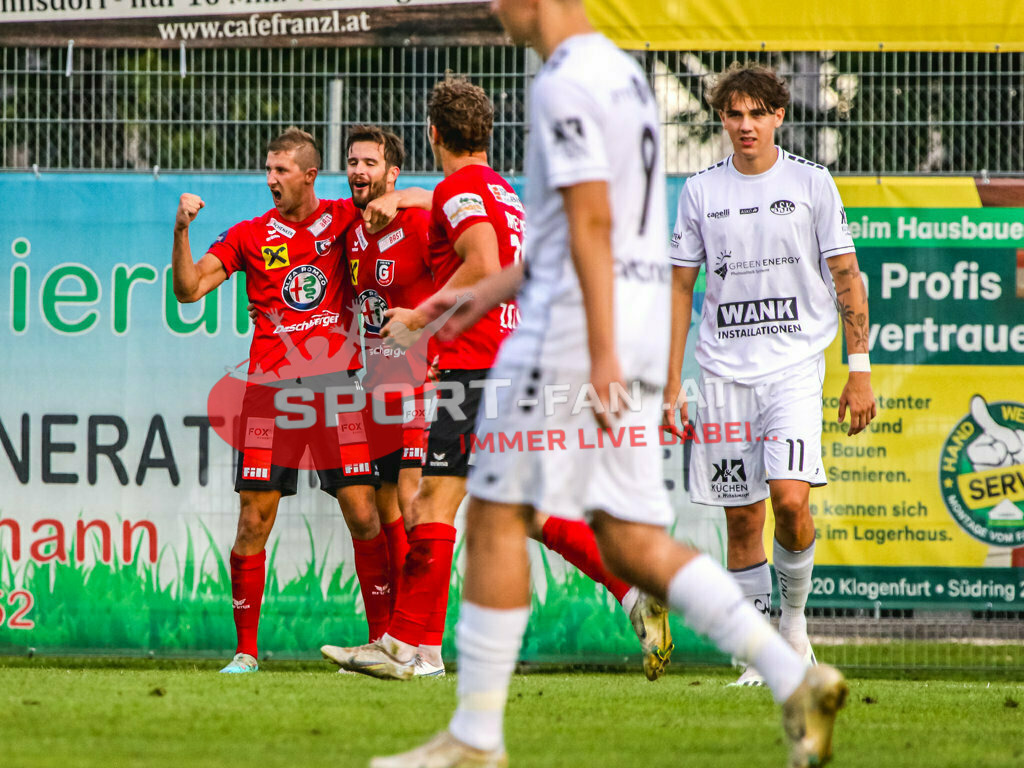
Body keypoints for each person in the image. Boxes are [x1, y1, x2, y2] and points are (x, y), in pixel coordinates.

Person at [369, 3, 847, 768]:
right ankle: (794, 675)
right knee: (630, 540)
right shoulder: (622, 77)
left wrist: (596, 356)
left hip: (572, 335)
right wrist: (448, 307)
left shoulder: (567, 81)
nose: (494, 8)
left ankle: (475, 736)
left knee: (490, 512)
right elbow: (568, 236)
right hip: (627, 329)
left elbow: (591, 226)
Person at [321, 82, 672, 683]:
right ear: (485, 133)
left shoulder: (459, 190)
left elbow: (482, 262)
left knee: (432, 503)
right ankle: (632, 589)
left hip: (481, 369)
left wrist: (420, 317)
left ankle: (408, 648)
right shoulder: (502, 192)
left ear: (433, 134)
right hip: (511, 362)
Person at [172, 127, 424, 673]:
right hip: (270, 394)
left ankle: (382, 646)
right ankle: (245, 652)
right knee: (252, 520)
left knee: (365, 514)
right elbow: (188, 290)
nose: (270, 179)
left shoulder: (345, 217)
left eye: (280, 170)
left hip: (336, 388)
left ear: (309, 175)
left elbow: (413, 200)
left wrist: (399, 193)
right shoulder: (249, 234)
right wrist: (182, 230)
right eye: (268, 170)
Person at [663, 63, 876, 687]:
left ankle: (794, 629)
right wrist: (671, 384)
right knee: (741, 517)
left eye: (758, 113)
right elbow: (679, 288)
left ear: (779, 116)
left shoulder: (812, 182)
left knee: (789, 499)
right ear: (722, 119)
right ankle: (760, 655)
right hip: (723, 373)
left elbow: (847, 278)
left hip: (793, 367)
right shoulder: (700, 190)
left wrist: (859, 370)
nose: (746, 125)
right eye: (735, 114)